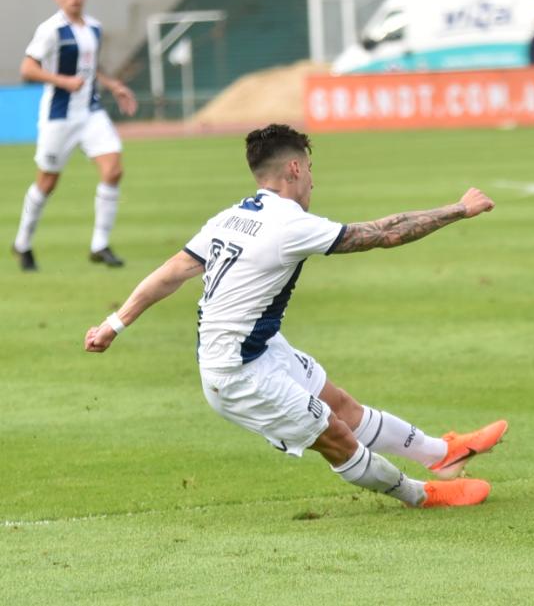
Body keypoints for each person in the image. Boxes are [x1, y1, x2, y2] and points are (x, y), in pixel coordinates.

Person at [84, 124, 507, 509]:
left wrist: (114, 324)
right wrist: (458, 210)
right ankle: (420, 495)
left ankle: (443, 454)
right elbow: (383, 233)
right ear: (293, 168)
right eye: (308, 169)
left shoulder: (231, 217)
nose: (312, 180)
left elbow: (171, 273)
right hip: (237, 376)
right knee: (336, 438)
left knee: (341, 405)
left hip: (262, 349)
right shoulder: (289, 224)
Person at [13, 0, 137, 272]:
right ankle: (23, 243)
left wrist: (113, 85)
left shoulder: (93, 28)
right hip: (59, 116)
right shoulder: (51, 29)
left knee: (113, 169)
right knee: (47, 182)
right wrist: (62, 81)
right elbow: (27, 68)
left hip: (90, 112)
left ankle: (99, 245)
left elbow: (92, 67)